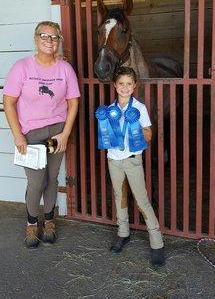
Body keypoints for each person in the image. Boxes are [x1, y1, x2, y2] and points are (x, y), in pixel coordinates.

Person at [3, 21, 80, 249]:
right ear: (36, 39)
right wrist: (18, 136)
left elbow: (73, 103)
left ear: (59, 42)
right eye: (44, 36)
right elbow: (8, 103)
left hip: (57, 131)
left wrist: (65, 134)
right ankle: (30, 223)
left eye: (55, 37)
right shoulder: (22, 67)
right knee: (36, 181)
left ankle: (49, 222)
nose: (50, 41)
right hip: (31, 133)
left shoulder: (65, 69)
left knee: (52, 178)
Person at [96, 66, 165, 267]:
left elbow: (149, 135)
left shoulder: (140, 109)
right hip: (114, 159)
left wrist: (133, 123)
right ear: (115, 86)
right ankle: (123, 233)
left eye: (128, 84)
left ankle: (157, 243)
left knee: (142, 199)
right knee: (120, 196)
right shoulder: (109, 111)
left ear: (134, 86)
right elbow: (107, 137)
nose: (125, 88)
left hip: (133, 160)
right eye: (121, 84)